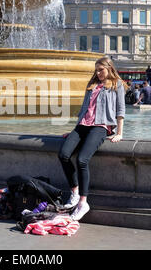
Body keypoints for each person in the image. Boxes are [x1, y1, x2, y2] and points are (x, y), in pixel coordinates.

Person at [58, 57, 127, 221]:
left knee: (82, 159)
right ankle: (74, 192)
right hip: (83, 125)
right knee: (64, 154)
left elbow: (120, 110)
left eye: (100, 70)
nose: (98, 73)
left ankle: (83, 202)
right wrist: (74, 130)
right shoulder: (92, 84)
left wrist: (119, 133)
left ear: (109, 68)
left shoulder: (117, 84)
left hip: (101, 126)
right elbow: (84, 108)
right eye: (96, 70)